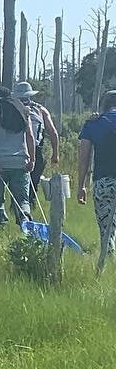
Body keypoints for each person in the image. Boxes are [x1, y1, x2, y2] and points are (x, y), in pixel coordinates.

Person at [76, 87, 116, 272]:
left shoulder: (93, 124)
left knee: (106, 227)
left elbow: (83, 157)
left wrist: (81, 186)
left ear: (103, 106)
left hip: (104, 182)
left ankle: (107, 263)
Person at [0, 83, 35, 226]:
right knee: (23, 200)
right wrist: (32, 160)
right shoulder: (23, 113)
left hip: (0, 163)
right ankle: (25, 224)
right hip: (21, 162)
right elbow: (30, 136)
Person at [12, 80, 59, 188]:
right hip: (26, 150)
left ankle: (26, 202)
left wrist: (55, 153)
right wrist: (55, 153)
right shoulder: (40, 110)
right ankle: (26, 202)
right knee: (26, 183)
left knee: (24, 184)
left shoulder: (39, 110)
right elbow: (53, 132)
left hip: (22, 150)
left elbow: (52, 132)